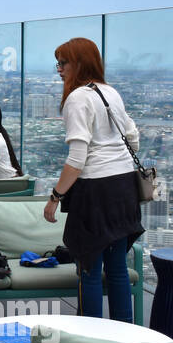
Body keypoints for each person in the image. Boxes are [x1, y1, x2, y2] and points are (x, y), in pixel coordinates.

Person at [44, 38, 143, 322]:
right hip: (124, 187)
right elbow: (133, 139)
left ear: (80, 64)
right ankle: (125, 336)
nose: (59, 70)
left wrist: (55, 197)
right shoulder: (110, 92)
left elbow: (77, 158)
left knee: (88, 270)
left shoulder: (77, 98)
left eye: (63, 63)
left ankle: (91, 340)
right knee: (117, 270)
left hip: (95, 192)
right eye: (58, 63)